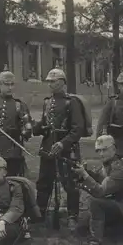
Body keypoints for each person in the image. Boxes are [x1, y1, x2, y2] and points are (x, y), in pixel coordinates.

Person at [72, 135, 123, 245]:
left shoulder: (119, 168)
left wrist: (85, 175)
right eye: (98, 150)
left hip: (121, 209)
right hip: (110, 205)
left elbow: (100, 191)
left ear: (113, 149)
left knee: (95, 203)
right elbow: (99, 180)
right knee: (81, 228)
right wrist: (83, 174)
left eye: (104, 149)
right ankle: (110, 232)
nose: (101, 153)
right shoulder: (106, 165)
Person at [33, 66, 84, 231]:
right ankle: (39, 214)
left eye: (54, 81)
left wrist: (63, 143)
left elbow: (78, 129)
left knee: (70, 183)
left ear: (62, 82)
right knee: (44, 182)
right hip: (48, 147)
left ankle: (72, 217)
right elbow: (45, 123)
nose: (50, 84)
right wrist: (35, 128)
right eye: (49, 81)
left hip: (67, 149)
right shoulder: (47, 102)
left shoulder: (72, 102)